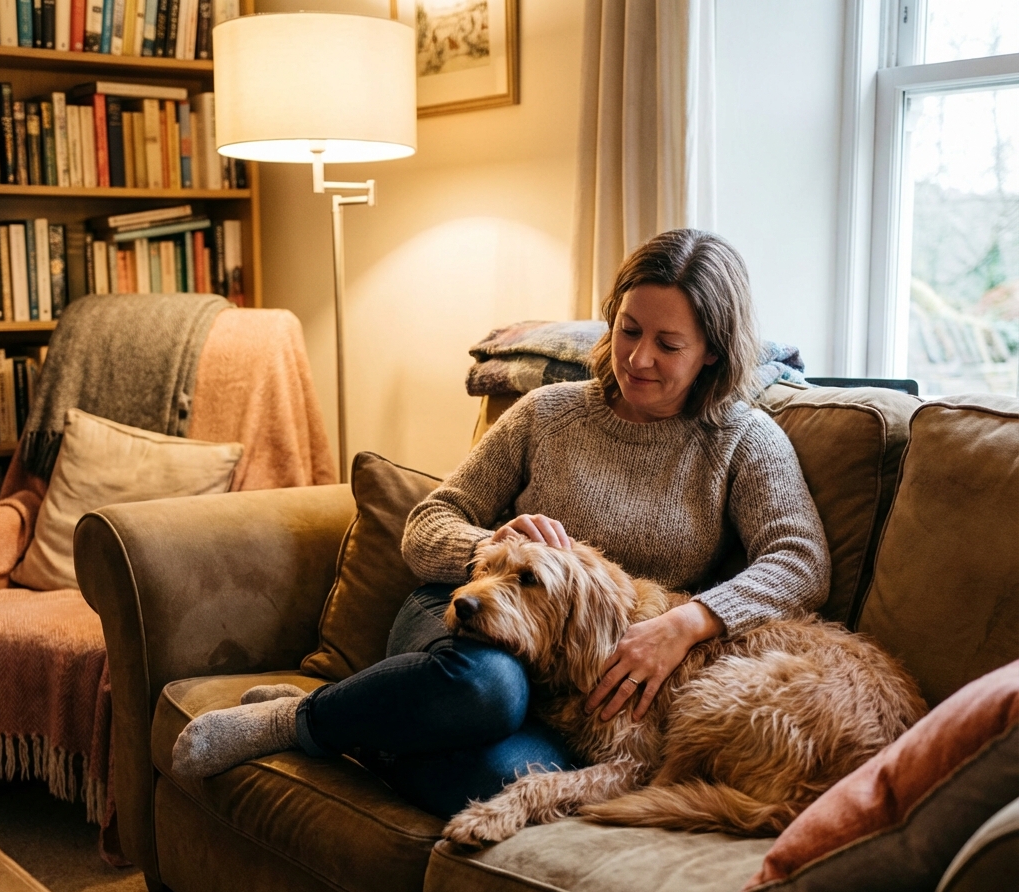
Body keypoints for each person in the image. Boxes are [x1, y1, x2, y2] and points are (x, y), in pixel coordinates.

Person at [172, 229, 831, 819]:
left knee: (495, 776)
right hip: (459, 618)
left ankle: (364, 725)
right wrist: (491, 550)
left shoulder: (742, 441)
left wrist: (684, 625)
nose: (638, 359)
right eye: (629, 330)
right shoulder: (549, 414)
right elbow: (429, 520)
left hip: (577, 664)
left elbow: (801, 560)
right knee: (490, 688)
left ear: (712, 352)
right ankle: (298, 719)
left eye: (668, 344)